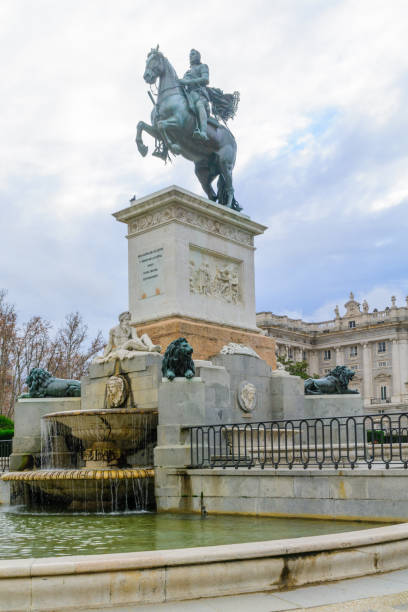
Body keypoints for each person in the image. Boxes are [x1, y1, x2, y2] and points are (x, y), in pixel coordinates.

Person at [178, 49, 210, 142]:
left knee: (199, 105)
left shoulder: (203, 66)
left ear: (198, 56)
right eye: (190, 55)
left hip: (199, 94)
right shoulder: (187, 72)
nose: (190, 56)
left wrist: (188, 81)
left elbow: (206, 79)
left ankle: (203, 132)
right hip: (188, 95)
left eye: (193, 54)